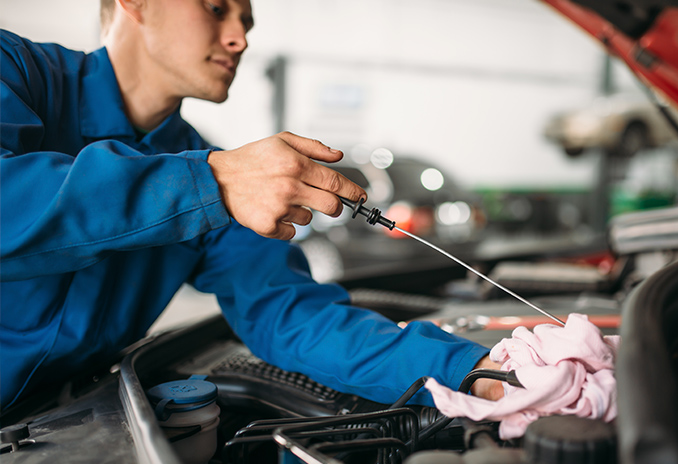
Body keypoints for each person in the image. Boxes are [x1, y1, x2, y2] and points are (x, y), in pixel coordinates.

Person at [0, 0, 501, 410]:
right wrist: (209, 182)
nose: (240, 38)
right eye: (216, 9)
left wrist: (470, 371)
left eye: (247, 20)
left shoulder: (216, 173)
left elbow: (290, 315)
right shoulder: (15, 72)